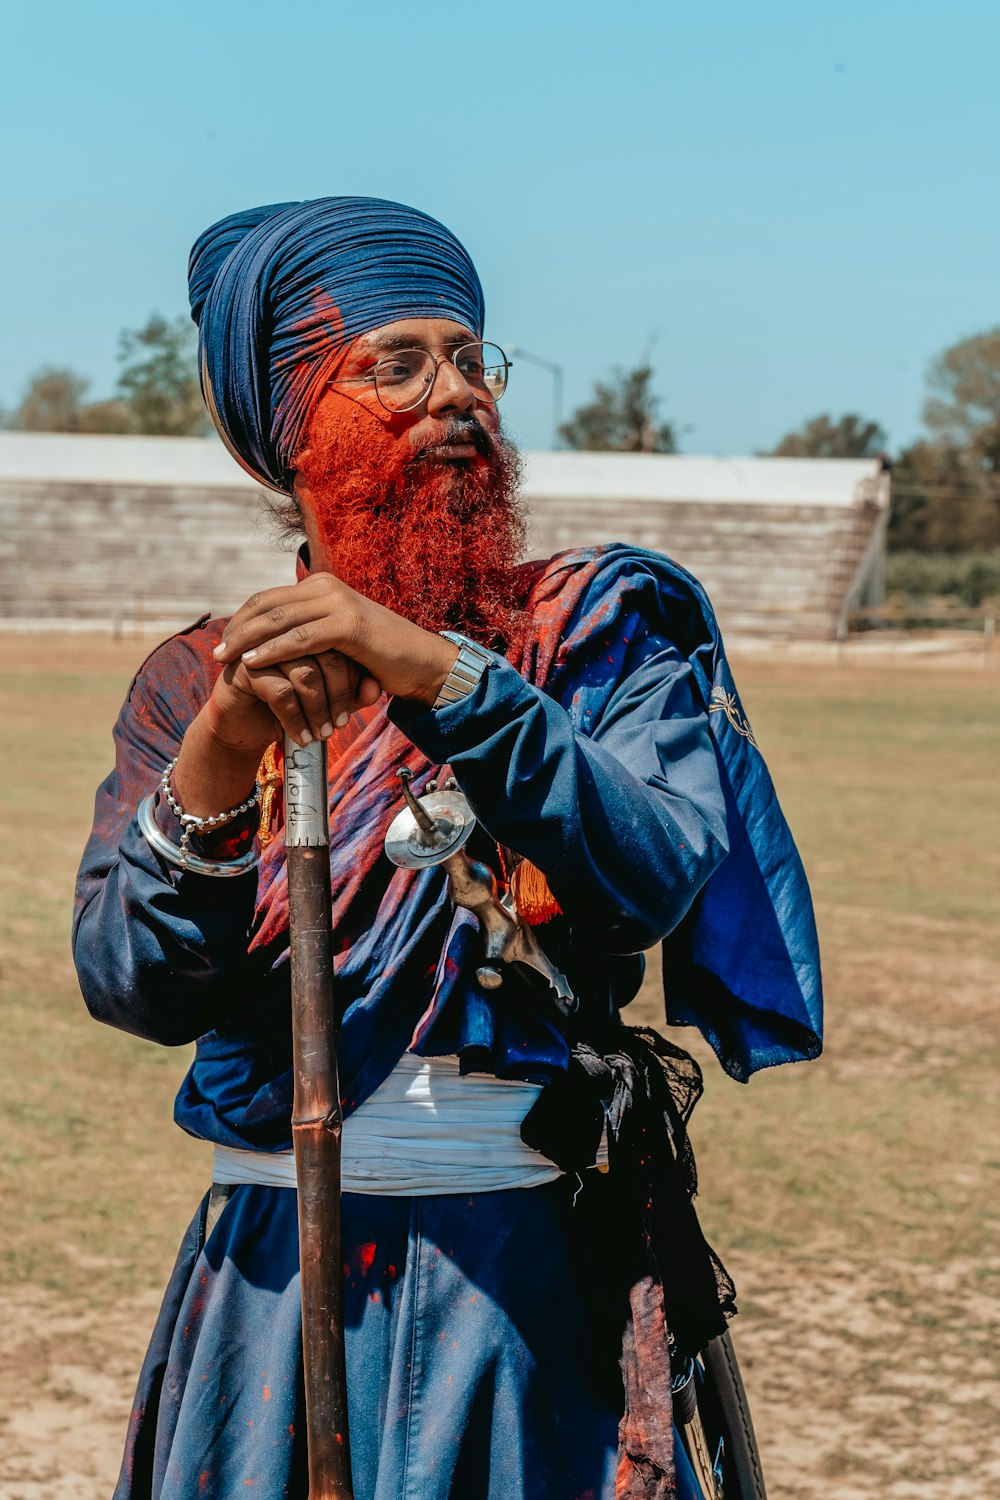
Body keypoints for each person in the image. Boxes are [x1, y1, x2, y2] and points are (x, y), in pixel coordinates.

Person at [74, 197, 822, 1500]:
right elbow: (132, 987)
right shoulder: (195, 680)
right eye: (396, 364)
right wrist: (218, 754)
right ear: (285, 420)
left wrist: (446, 677)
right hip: (272, 1274)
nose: (455, 394)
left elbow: (651, 874)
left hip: (529, 1274)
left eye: (473, 359)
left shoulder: (589, 637)